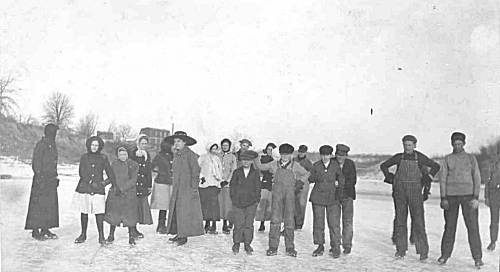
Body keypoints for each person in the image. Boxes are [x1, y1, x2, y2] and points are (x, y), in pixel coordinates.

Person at [380, 135, 440, 260]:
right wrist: (390, 177)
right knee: (401, 221)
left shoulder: (420, 157)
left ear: (415, 145)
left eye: (410, 145)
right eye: (405, 145)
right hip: (400, 193)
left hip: (415, 193)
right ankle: (401, 250)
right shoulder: (398, 157)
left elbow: (436, 166)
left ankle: (423, 252)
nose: (407, 147)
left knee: (418, 221)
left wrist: (428, 178)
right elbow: (384, 166)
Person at [254, 143, 309, 257]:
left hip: (290, 196)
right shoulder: (274, 164)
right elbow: (261, 167)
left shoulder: (295, 165)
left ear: (291, 154)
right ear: (280, 154)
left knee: (289, 221)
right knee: (275, 220)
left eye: (287, 154)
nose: (285, 156)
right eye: (283, 154)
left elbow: (306, 173)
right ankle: (273, 247)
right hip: (277, 195)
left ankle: (290, 247)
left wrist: (300, 182)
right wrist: (255, 157)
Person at [438, 132, 483, 268]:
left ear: (464, 143)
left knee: (473, 227)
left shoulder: (471, 158)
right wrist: (443, 197)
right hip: (451, 198)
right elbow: (443, 179)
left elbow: (477, 178)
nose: (457, 146)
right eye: (455, 144)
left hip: (468, 197)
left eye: (460, 144)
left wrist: (476, 197)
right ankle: (445, 255)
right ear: (452, 144)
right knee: (449, 227)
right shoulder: (447, 159)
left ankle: (477, 258)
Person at [73, 136, 115, 245]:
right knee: (84, 211)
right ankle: (83, 234)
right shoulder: (84, 157)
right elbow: (81, 173)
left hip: (98, 189)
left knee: (99, 212)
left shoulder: (103, 158)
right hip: (85, 188)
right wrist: (91, 183)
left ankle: (101, 236)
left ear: (99, 146)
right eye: (92, 145)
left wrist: (103, 184)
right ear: (89, 145)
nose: (94, 147)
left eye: (96, 145)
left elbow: (110, 174)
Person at [165, 131, 204, 246]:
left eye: (179, 141)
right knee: (177, 211)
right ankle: (179, 233)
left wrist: (193, 188)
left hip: (187, 189)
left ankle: (184, 236)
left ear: (184, 142)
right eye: (175, 141)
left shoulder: (190, 155)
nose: (176, 144)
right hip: (177, 188)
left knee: (185, 212)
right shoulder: (177, 155)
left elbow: (196, 172)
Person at [25, 124, 60, 240]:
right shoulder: (41, 145)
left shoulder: (52, 145)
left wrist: (55, 177)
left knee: (49, 205)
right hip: (41, 180)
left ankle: (45, 228)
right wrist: (40, 177)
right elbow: (36, 162)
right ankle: (35, 230)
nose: (55, 135)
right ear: (50, 132)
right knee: (37, 206)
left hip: (50, 180)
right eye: (54, 132)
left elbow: (52, 164)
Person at [309, 145, 345, 258]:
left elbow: (342, 178)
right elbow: (311, 178)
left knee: (334, 224)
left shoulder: (335, 166)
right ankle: (319, 246)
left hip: (332, 198)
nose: (325, 157)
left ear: (331, 155)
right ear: (320, 155)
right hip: (318, 197)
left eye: (327, 155)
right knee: (318, 223)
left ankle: (336, 247)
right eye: (323, 155)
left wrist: (339, 186)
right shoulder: (316, 165)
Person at [104, 145, 139, 245]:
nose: (123, 156)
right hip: (115, 194)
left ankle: (131, 237)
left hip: (129, 194)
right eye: (120, 154)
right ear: (117, 155)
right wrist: (103, 184)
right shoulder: (114, 164)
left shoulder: (134, 164)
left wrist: (122, 189)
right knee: (114, 216)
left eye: (125, 154)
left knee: (130, 216)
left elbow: (133, 180)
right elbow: (111, 177)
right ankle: (111, 235)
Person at [229, 150, 261, 255]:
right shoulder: (237, 172)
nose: (246, 162)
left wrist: (256, 200)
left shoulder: (255, 173)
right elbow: (232, 187)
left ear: (252, 161)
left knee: (248, 225)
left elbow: (258, 188)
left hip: (251, 203)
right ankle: (236, 243)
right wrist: (234, 199)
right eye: (244, 160)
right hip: (238, 203)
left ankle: (247, 243)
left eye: (248, 160)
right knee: (238, 224)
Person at [129, 134, 153, 238]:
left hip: (142, 184)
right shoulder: (133, 153)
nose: (143, 145)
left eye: (145, 144)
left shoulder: (147, 154)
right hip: (134, 184)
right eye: (142, 143)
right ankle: (131, 229)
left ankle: (135, 229)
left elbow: (148, 171)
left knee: (139, 207)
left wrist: (149, 185)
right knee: (132, 207)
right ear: (138, 143)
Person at [334, 144, 357, 254]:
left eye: (342, 156)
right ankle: (335, 244)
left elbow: (353, 180)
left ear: (346, 156)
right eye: (338, 155)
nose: (340, 157)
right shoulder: (332, 162)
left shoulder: (350, 164)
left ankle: (347, 245)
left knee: (347, 221)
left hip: (347, 196)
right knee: (334, 222)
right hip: (333, 196)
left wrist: (340, 185)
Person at [151, 138, 174, 234]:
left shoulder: (174, 156)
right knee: (163, 205)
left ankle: (171, 225)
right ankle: (161, 225)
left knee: (172, 204)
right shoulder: (159, 156)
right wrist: (160, 172)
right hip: (162, 182)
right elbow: (152, 167)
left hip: (172, 182)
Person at [199, 143, 223, 234]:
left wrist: (219, 181)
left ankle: (214, 225)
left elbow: (220, 170)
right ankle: (206, 223)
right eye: (212, 149)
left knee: (214, 205)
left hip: (214, 184)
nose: (214, 151)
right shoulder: (203, 157)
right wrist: (201, 177)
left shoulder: (217, 159)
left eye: (216, 149)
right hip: (205, 184)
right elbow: (198, 168)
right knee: (206, 205)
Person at [256, 143, 276, 232]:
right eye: (268, 149)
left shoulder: (275, 160)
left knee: (272, 204)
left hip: (273, 183)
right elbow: (261, 168)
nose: (270, 151)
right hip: (264, 182)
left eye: (271, 150)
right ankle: (262, 223)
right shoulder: (263, 158)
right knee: (263, 203)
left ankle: (272, 223)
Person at [219, 138, 237, 234]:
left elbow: (233, 170)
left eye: (226, 145)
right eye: (223, 145)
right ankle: (213, 223)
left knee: (227, 204)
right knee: (219, 203)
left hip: (227, 184)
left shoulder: (232, 157)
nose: (224, 147)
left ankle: (226, 224)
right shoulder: (218, 155)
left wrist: (227, 181)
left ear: (229, 146)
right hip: (218, 183)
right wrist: (219, 180)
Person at [294, 144, 313, 230]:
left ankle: (299, 224)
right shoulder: (293, 160)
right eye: (300, 151)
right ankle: (292, 222)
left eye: (303, 152)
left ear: (306, 152)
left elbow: (311, 174)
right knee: (293, 203)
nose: (301, 153)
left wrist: (305, 182)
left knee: (301, 204)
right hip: (294, 183)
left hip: (304, 184)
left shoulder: (308, 162)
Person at [486, 144, 500, 251]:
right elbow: (487, 181)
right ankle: (493, 241)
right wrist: (487, 197)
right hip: (494, 194)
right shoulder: (492, 164)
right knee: (494, 220)